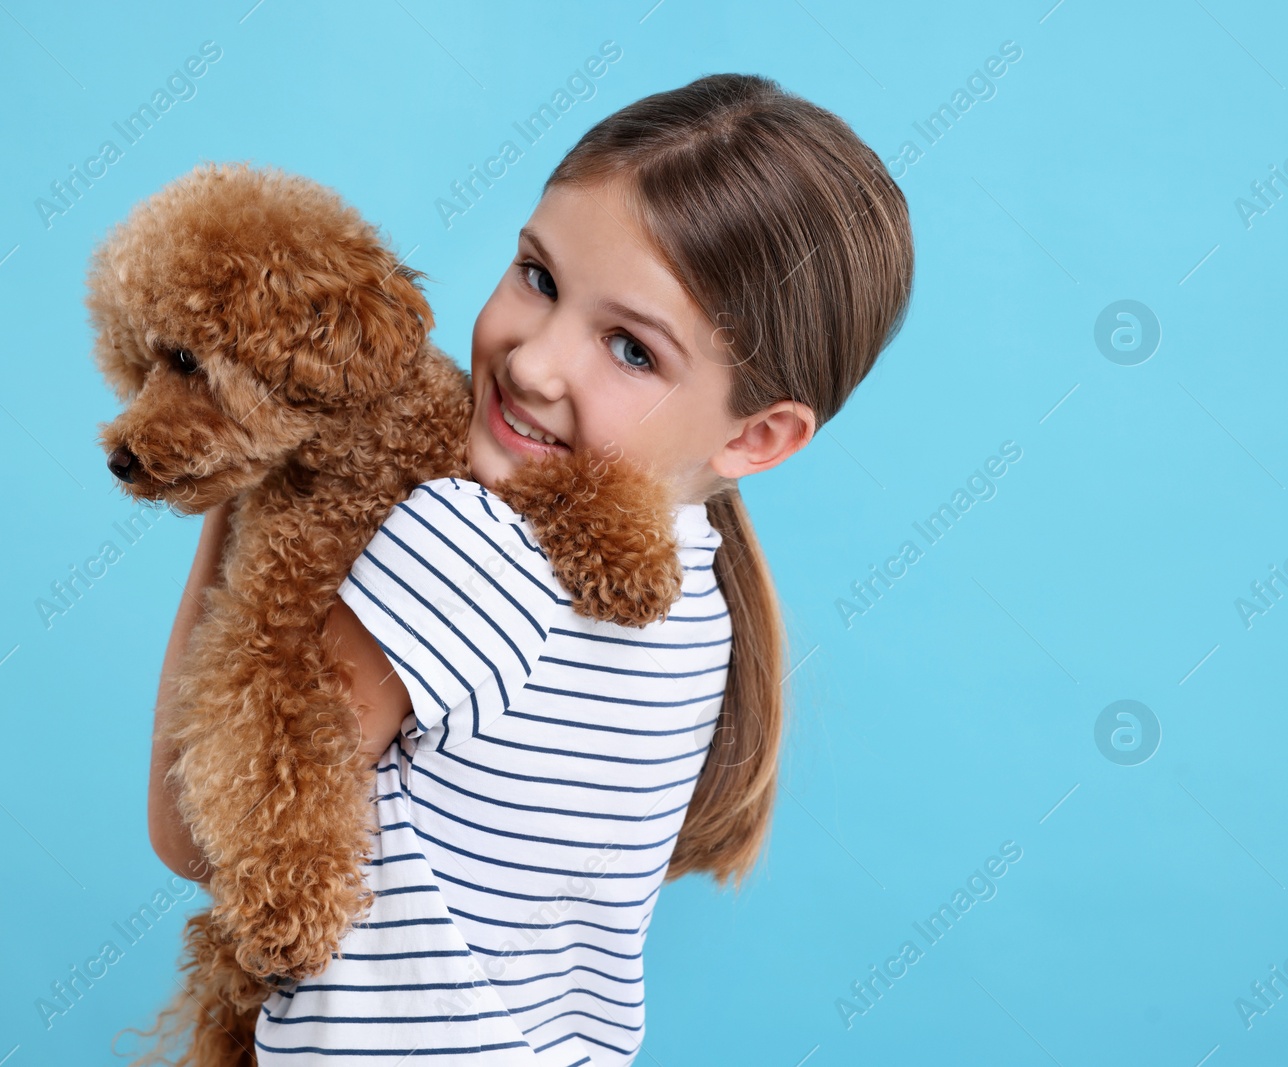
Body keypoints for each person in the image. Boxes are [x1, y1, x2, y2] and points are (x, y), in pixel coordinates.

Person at [148, 72, 913, 1064]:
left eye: (630, 349)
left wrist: (258, 468)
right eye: (538, 277)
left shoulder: (471, 551)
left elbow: (198, 834)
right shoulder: (701, 597)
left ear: (758, 435)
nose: (534, 361)